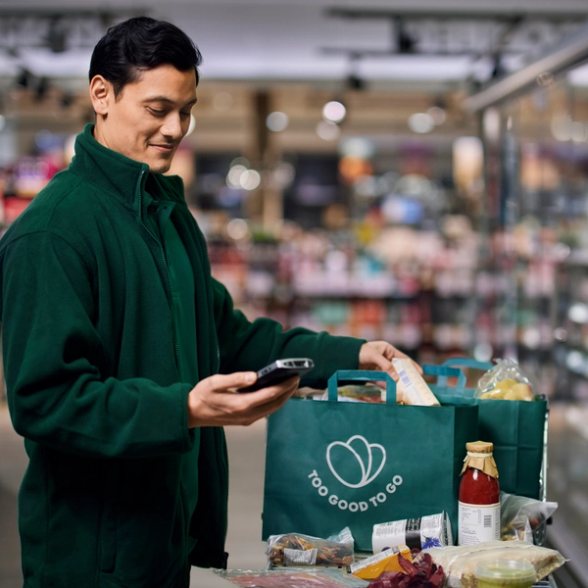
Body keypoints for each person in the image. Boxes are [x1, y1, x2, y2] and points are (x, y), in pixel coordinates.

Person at [0, 17, 418, 588]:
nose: (176, 128)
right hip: (88, 557)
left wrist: (355, 352)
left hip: (166, 535)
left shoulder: (170, 218)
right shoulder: (51, 232)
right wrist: (185, 410)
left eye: (186, 109)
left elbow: (227, 336)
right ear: (102, 94)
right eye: (157, 109)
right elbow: (45, 400)